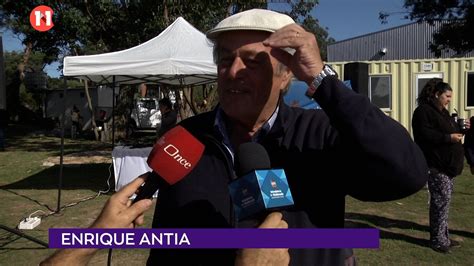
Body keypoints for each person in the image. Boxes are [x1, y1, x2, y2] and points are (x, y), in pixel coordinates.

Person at [147, 9, 428, 265]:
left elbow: (407, 173)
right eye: (226, 59)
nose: (233, 72)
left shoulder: (320, 134)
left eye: (253, 62)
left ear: (285, 78)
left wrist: (322, 80)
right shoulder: (187, 138)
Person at [412, 78, 467, 253]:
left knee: (444, 203)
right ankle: (437, 240)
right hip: (436, 166)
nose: (449, 99)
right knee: (439, 203)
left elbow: (450, 132)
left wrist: (462, 129)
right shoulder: (423, 112)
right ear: (437, 95)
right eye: (447, 96)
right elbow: (425, 135)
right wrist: (448, 138)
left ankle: (444, 238)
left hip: (449, 167)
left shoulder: (443, 112)